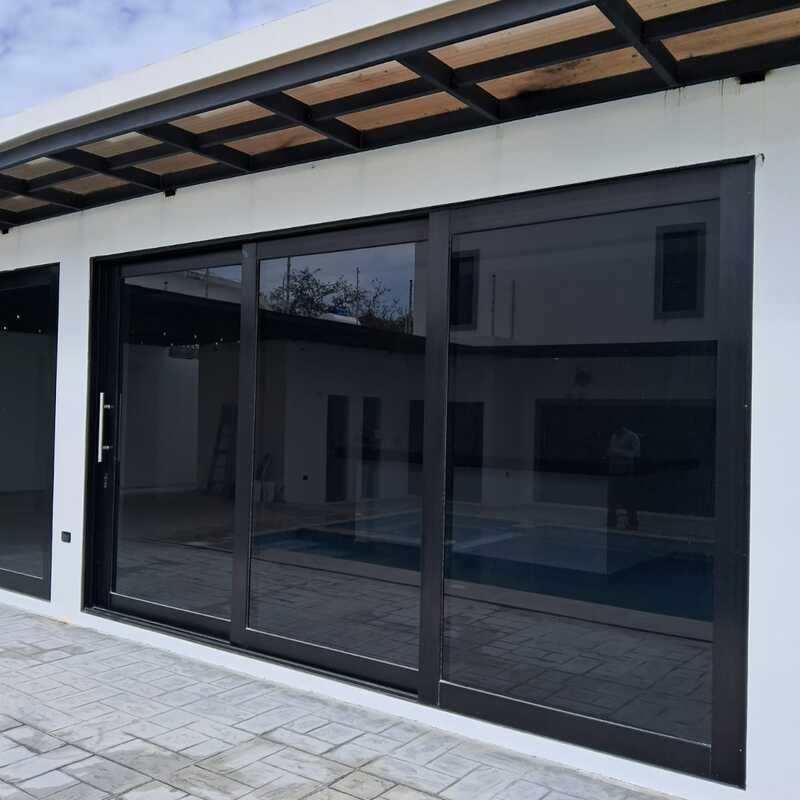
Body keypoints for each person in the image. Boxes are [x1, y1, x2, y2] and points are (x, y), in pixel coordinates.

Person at [606, 423, 641, 530]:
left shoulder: (632, 436)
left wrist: (617, 452)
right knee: (611, 498)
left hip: (626, 471)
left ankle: (633, 523)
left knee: (628, 498)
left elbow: (636, 454)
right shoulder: (614, 436)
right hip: (614, 470)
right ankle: (611, 522)